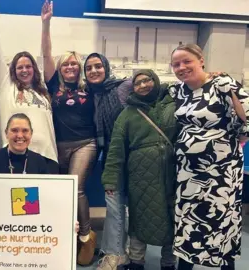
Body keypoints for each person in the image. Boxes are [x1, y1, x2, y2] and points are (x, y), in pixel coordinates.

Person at [169, 44, 248, 270]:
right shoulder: (178, 91)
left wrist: (241, 135)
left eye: (187, 61)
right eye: (176, 64)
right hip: (187, 173)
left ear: (201, 60)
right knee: (188, 224)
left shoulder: (223, 84)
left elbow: (247, 117)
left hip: (221, 173)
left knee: (221, 222)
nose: (182, 67)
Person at [40, 1, 98, 265]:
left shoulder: (90, 87)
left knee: (76, 189)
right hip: (58, 145)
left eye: (75, 64)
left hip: (85, 144)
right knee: (59, 192)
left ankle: (86, 237)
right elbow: (46, 54)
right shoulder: (54, 85)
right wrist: (46, 23)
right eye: (67, 64)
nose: (70, 67)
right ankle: (64, 235)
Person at [102, 70, 177, 270]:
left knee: (173, 218)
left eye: (147, 80)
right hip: (140, 177)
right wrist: (110, 180)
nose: (142, 85)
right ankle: (137, 262)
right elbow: (116, 150)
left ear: (156, 80)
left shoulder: (174, 105)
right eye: (137, 83)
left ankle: (169, 263)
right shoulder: (127, 114)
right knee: (139, 219)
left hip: (173, 174)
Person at [0, 5, 59, 173]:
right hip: (16, 157)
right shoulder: (6, 87)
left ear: (34, 69)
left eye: (28, 66)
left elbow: (45, 53)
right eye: (20, 67)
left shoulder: (43, 91)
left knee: (46, 199)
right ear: (13, 71)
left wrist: (46, 23)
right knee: (20, 199)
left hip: (47, 156)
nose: (24, 70)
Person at [82, 52, 133, 270]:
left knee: (126, 207)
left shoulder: (121, 87)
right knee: (114, 206)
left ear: (106, 67)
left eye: (98, 66)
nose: (93, 71)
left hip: (131, 155)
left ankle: (119, 252)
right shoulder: (90, 95)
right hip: (110, 158)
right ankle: (116, 252)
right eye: (89, 68)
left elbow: (152, 83)